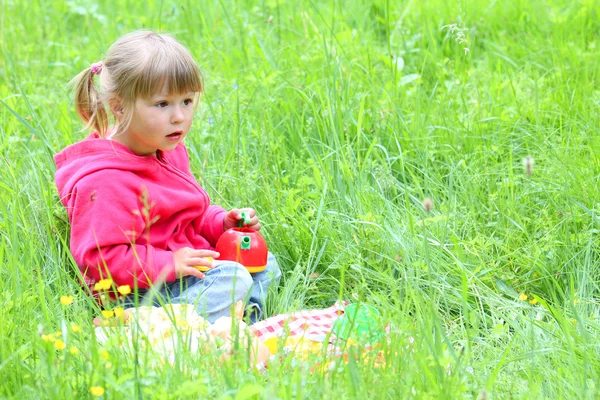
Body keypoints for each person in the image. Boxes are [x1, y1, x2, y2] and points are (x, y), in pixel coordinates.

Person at [54, 30, 280, 323]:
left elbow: (189, 213)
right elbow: (100, 261)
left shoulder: (167, 149)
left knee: (263, 264)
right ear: (119, 107)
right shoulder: (105, 181)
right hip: (137, 289)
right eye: (162, 104)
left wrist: (221, 223)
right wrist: (169, 263)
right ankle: (143, 324)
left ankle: (235, 325)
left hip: (181, 269)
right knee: (233, 278)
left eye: (186, 101)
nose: (179, 117)